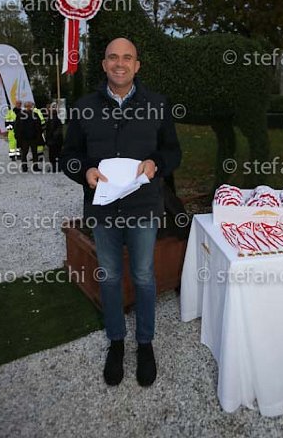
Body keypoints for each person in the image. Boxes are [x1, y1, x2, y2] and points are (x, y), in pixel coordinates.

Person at [60, 37, 181, 387]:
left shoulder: (157, 104)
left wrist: (155, 163)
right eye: (113, 57)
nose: (120, 63)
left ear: (137, 65)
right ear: (104, 64)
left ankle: (145, 343)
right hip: (103, 210)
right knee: (110, 276)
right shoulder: (84, 107)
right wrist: (84, 170)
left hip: (143, 207)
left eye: (127, 57)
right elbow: (68, 156)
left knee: (143, 276)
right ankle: (116, 341)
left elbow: (173, 152)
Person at [14, 101, 43, 172]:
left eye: (30, 106)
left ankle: (35, 167)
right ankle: (24, 167)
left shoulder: (35, 114)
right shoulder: (20, 115)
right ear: (25, 107)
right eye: (27, 106)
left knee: (35, 153)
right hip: (24, 138)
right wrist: (18, 136)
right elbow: (17, 126)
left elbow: (39, 126)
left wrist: (38, 135)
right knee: (24, 153)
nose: (29, 107)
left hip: (33, 137)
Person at [45, 103, 63, 172]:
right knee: (55, 154)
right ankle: (56, 167)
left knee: (54, 154)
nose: (47, 110)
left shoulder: (53, 118)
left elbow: (56, 130)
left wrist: (52, 138)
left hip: (54, 140)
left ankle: (55, 167)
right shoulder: (52, 117)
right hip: (54, 140)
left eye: (48, 108)